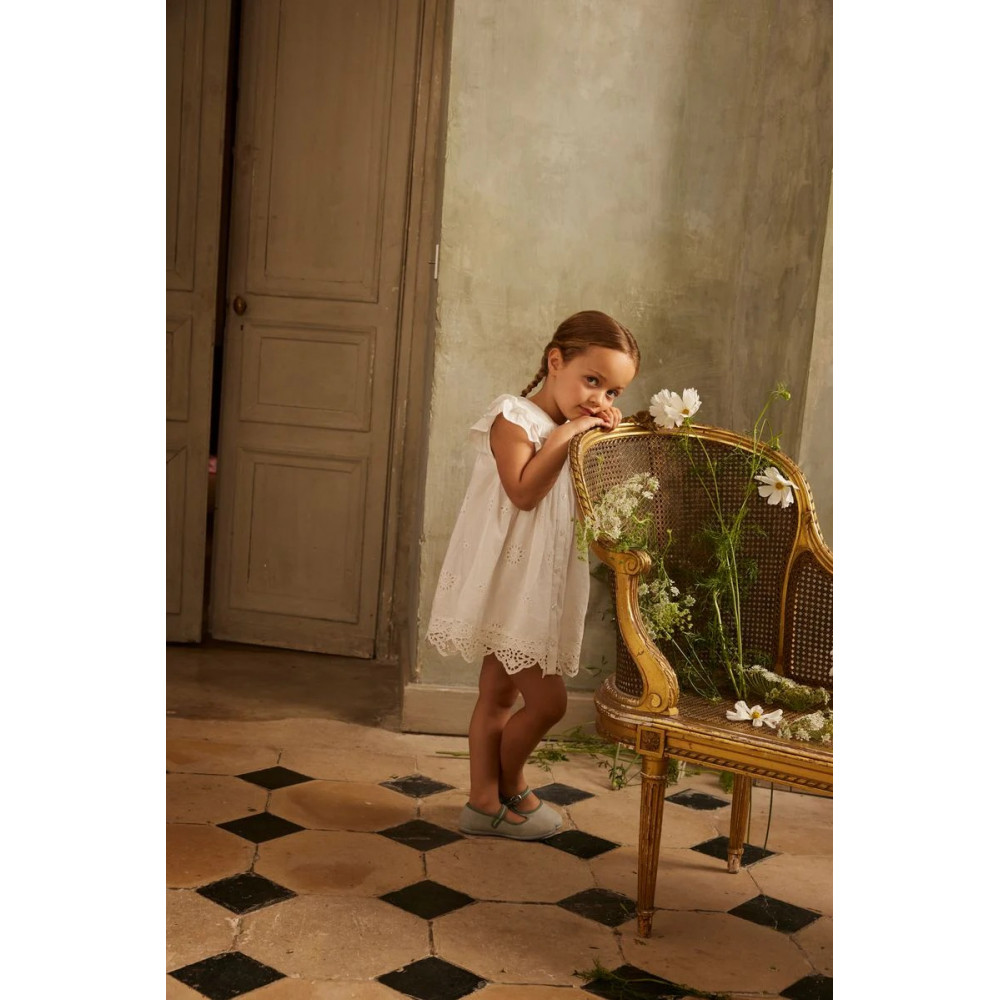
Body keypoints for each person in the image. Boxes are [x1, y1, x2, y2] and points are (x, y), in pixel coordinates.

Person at [426, 310, 640, 839]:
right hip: (507, 582)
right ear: (555, 361)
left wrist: (595, 438)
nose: (599, 399)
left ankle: (485, 801)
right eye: (592, 381)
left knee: (498, 696)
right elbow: (523, 492)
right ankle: (509, 784)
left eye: (612, 392)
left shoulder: (572, 429)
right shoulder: (513, 417)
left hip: (537, 584)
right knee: (549, 703)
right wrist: (571, 431)